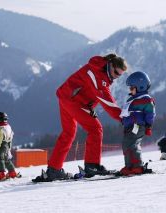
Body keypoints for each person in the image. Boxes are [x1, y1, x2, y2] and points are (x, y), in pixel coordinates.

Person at [37, 53, 128, 181]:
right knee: (96, 129)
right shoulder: (99, 76)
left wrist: (89, 109)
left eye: (120, 75)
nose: (117, 77)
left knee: (68, 133)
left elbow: (88, 91)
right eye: (116, 73)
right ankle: (92, 166)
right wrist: (124, 117)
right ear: (111, 65)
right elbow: (108, 103)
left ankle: (54, 169)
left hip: (67, 97)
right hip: (74, 100)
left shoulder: (100, 69)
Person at [119, 71, 156, 176]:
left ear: (140, 87)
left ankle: (137, 166)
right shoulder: (132, 99)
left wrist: (148, 126)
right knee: (126, 145)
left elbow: (150, 113)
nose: (130, 90)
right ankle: (129, 166)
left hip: (138, 126)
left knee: (133, 145)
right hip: (129, 127)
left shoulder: (146, 100)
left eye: (131, 88)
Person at [0, 112, 19, 181]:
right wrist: (9, 149)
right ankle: (12, 172)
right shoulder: (8, 127)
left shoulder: (0, 129)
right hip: (6, 145)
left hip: (1, 145)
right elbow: (10, 139)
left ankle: (1, 174)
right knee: (6, 159)